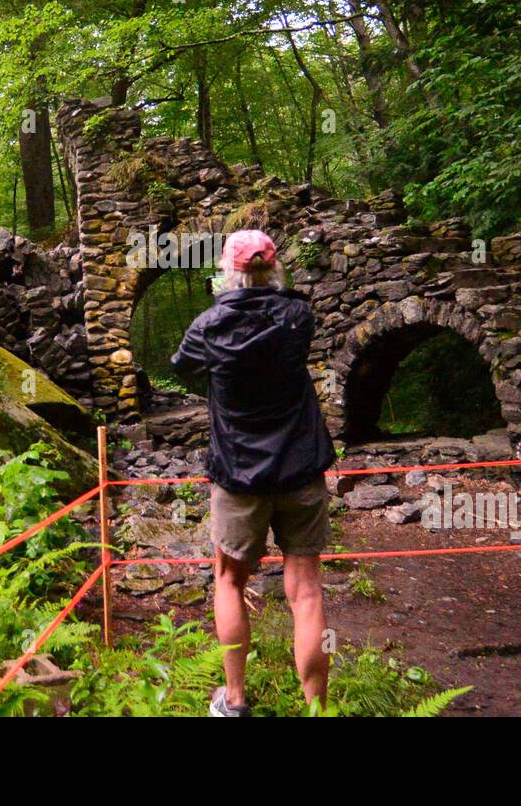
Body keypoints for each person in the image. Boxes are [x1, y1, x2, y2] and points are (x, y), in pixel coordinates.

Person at [170, 228, 336, 717]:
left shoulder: (209, 327)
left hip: (239, 474)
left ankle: (235, 701)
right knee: (306, 592)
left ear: (229, 270)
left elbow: (181, 367)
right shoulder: (297, 317)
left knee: (229, 580)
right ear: (273, 265)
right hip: (300, 469)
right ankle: (316, 709)